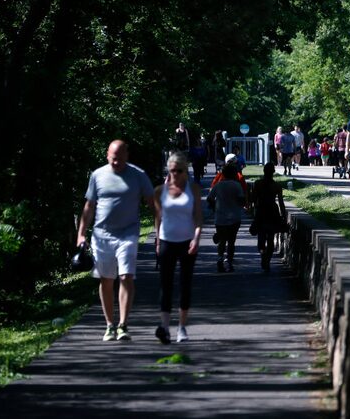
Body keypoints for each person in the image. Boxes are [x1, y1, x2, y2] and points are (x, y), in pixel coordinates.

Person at [76, 140, 154, 341]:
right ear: (107, 155)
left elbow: (153, 204)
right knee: (106, 279)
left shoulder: (138, 175)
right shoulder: (98, 175)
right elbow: (89, 206)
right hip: (102, 235)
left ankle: (123, 325)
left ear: (127, 155)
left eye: (119, 158)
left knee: (126, 276)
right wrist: (81, 234)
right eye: (113, 158)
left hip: (128, 234)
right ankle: (109, 324)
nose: (116, 162)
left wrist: (160, 232)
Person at [153, 152, 202, 344]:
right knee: (165, 285)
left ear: (185, 171)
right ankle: (164, 327)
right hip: (166, 241)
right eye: (171, 171)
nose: (174, 174)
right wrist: (157, 241)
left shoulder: (193, 189)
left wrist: (196, 237)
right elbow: (158, 218)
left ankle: (182, 327)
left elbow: (198, 217)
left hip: (187, 241)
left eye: (178, 171)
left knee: (185, 284)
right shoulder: (160, 191)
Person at [207, 163, 245, 272]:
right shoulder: (236, 185)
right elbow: (242, 201)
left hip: (220, 218)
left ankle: (220, 259)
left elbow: (209, 198)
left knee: (222, 240)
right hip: (235, 217)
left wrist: (215, 206)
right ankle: (229, 262)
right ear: (234, 174)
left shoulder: (218, 185)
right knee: (232, 241)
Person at [250, 162, 287, 271]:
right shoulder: (277, 186)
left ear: (264, 171)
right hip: (273, 212)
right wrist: (283, 216)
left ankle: (263, 254)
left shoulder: (257, 183)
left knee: (261, 238)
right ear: (273, 172)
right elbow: (281, 203)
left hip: (261, 211)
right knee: (270, 238)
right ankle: (267, 259)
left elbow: (253, 199)